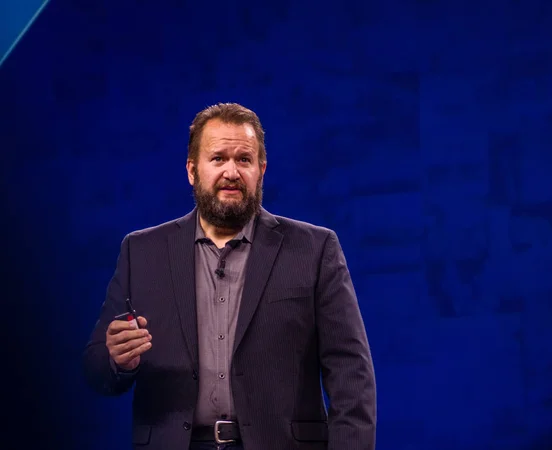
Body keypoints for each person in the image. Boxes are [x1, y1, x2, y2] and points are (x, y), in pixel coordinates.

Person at [82, 102, 376, 450]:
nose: (232, 172)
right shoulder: (141, 252)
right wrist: (117, 360)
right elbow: (97, 368)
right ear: (192, 171)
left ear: (261, 169)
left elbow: (351, 376)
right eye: (218, 158)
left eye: (244, 159)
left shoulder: (314, 249)